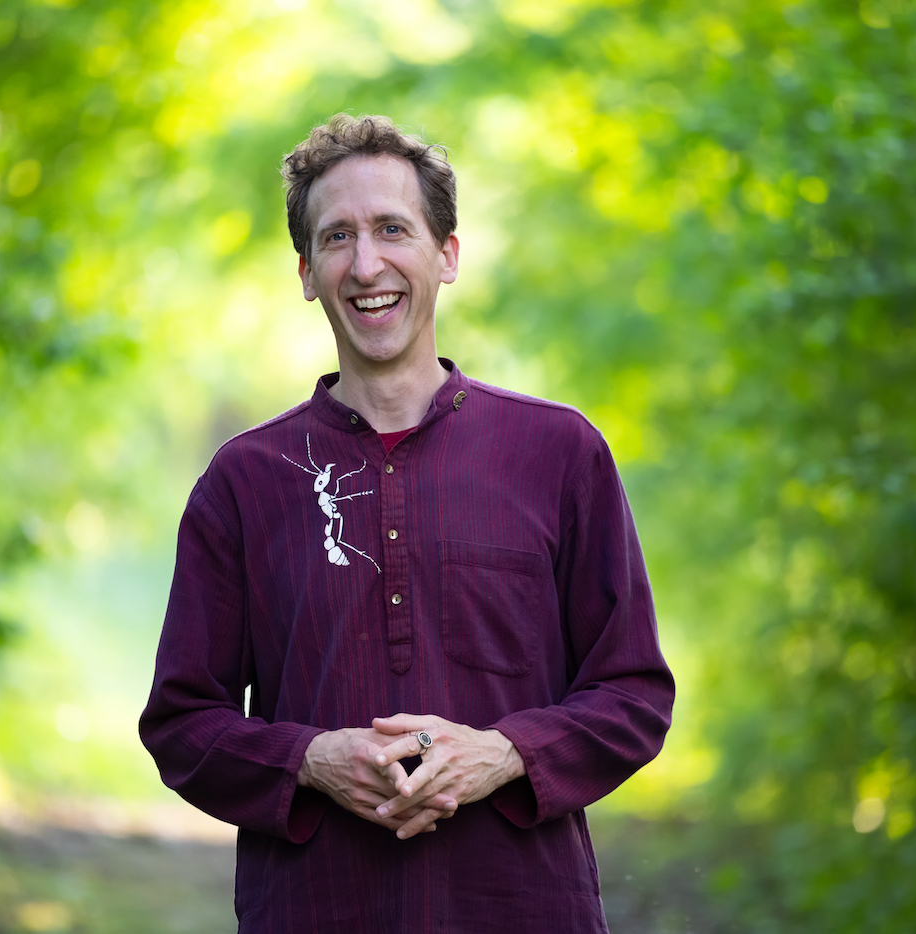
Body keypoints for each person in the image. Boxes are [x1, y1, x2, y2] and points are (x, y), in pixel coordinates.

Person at [139, 114, 674, 934]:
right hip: (315, 911)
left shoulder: (559, 452)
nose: (366, 264)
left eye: (393, 229)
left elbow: (633, 695)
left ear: (447, 254)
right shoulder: (244, 482)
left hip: (523, 911)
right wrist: (313, 762)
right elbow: (182, 724)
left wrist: (502, 754)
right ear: (307, 273)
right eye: (336, 238)